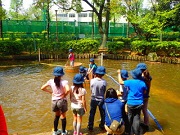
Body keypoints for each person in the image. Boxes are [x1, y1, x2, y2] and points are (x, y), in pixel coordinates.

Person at [117, 68, 147, 135]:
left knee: (129, 117)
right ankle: (136, 132)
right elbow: (144, 92)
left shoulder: (130, 82)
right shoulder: (143, 83)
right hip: (139, 104)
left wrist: (119, 73)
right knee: (137, 117)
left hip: (130, 103)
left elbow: (120, 82)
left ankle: (128, 131)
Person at [41, 66, 70, 135]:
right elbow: (68, 89)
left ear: (54, 74)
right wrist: (64, 95)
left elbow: (42, 88)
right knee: (63, 116)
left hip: (54, 101)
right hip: (62, 101)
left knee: (56, 116)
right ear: (62, 75)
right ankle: (63, 132)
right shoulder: (64, 82)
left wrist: (50, 92)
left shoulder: (51, 81)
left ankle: (55, 131)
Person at [87, 66, 107, 131]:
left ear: (96, 73)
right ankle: (102, 125)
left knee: (92, 113)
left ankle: (90, 126)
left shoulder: (92, 81)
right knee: (102, 113)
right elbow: (104, 91)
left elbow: (91, 90)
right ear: (103, 74)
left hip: (93, 99)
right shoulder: (104, 82)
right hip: (101, 99)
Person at [136, 63, 152, 130]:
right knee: (145, 110)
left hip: (141, 97)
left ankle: (137, 124)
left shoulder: (140, 78)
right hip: (146, 96)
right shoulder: (149, 77)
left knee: (138, 110)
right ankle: (146, 123)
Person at [116, 69, 129, 134]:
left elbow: (121, 94)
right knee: (125, 115)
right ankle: (127, 128)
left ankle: (123, 128)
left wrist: (117, 93)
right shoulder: (127, 82)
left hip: (122, 101)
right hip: (126, 100)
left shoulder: (122, 85)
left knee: (121, 114)